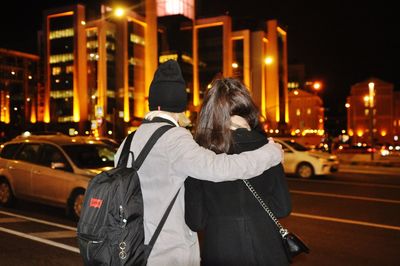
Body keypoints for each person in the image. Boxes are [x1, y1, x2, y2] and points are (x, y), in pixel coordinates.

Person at [114, 60, 284, 266]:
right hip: (167, 249)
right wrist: (269, 153)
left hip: (130, 245)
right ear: (180, 105)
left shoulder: (128, 142)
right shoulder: (174, 139)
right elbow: (219, 168)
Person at [185, 77, 292, 265]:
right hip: (267, 247)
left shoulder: (200, 155)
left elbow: (196, 221)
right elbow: (282, 207)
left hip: (221, 248)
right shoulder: (268, 148)